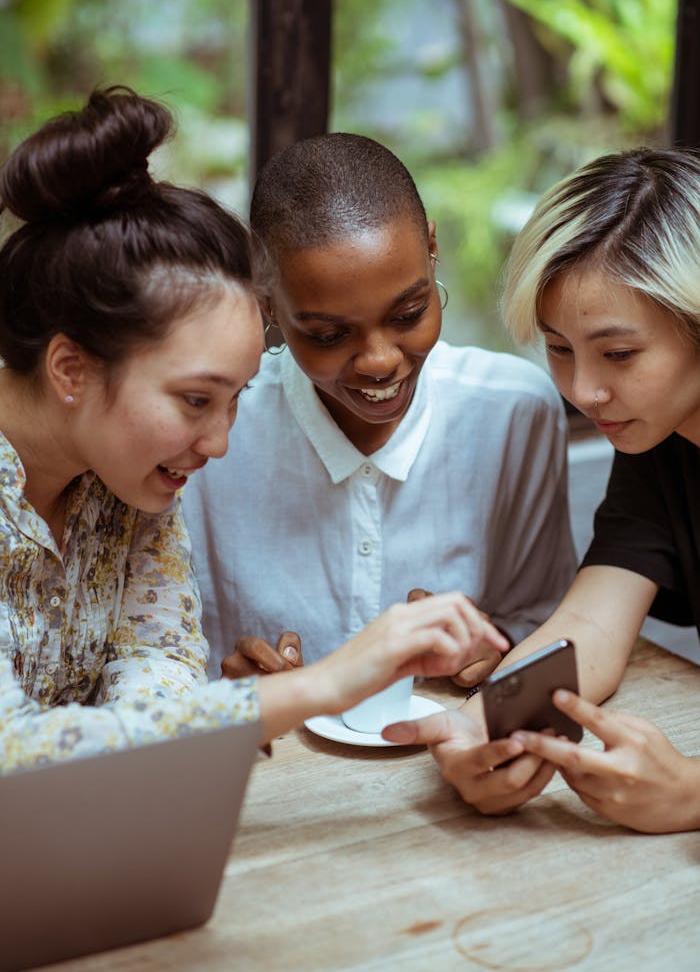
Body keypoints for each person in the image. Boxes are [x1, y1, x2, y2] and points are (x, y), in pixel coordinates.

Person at [0, 87, 509, 775]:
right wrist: (326, 682)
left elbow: (160, 667)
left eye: (236, 397)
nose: (219, 443)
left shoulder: (124, 481)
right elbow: (12, 748)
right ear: (70, 368)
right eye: (194, 400)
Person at [183, 132, 576, 684]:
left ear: (432, 248)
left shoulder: (513, 413)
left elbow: (549, 619)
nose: (379, 361)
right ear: (267, 301)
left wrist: (494, 645)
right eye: (327, 334)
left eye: (410, 313)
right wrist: (232, 689)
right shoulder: (212, 440)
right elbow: (161, 665)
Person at [385, 147, 700, 834]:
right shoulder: (660, 438)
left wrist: (694, 795)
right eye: (559, 348)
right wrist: (483, 728)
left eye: (618, 354)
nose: (584, 392)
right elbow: (590, 624)